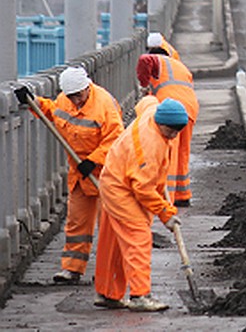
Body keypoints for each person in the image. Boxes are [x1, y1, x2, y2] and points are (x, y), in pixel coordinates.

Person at [14, 67, 123, 284]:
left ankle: (109, 271)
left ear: (87, 88)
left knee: (109, 226)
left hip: (106, 174)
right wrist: (32, 101)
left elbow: (116, 139)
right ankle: (72, 269)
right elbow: (51, 112)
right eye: (71, 96)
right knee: (76, 225)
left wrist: (93, 160)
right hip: (80, 175)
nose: (75, 101)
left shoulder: (104, 106)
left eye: (78, 96)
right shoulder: (65, 100)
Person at [92, 97, 186, 312]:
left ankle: (108, 294)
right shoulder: (149, 145)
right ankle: (140, 295)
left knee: (114, 242)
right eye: (170, 131)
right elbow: (143, 189)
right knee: (138, 239)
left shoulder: (153, 111)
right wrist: (165, 213)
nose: (172, 136)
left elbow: (146, 101)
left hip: (114, 178)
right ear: (160, 123)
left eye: (176, 132)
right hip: (121, 190)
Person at [137, 49, 199, 206]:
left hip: (171, 110)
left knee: (169, 152)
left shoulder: (157, 60)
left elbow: (145, 60)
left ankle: (167, 199)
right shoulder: (179, 66)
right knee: (182, 152)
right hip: (190, 109)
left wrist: (143, 85)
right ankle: (182, 194)